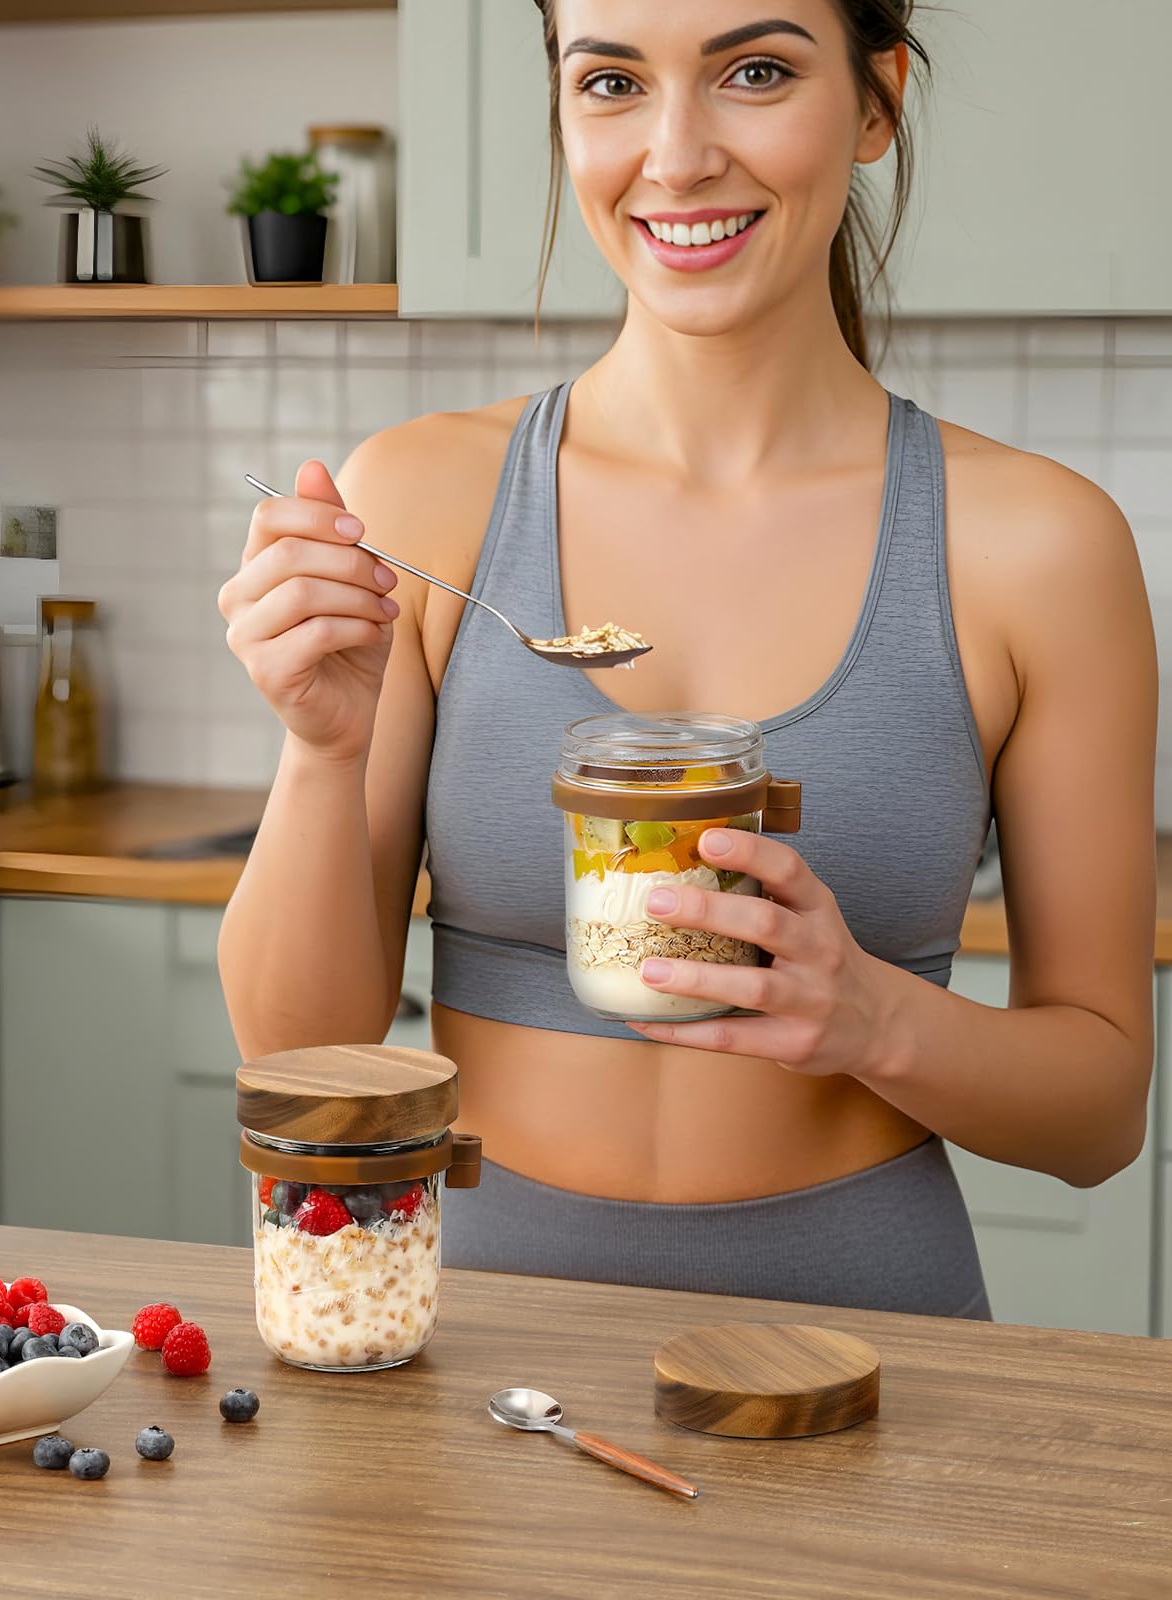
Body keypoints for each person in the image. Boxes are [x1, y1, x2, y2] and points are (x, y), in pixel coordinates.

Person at [216, 0, 1156, 1317]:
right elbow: (302, 1055)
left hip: (866, 1345)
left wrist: (875, 1019)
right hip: (480, 1344)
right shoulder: (427, 499)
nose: (676, 154)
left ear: (877, 100)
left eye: (755, 72)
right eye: (610, 82)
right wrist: (321, 751)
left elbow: (1102, 1113)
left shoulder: (1039, 549)